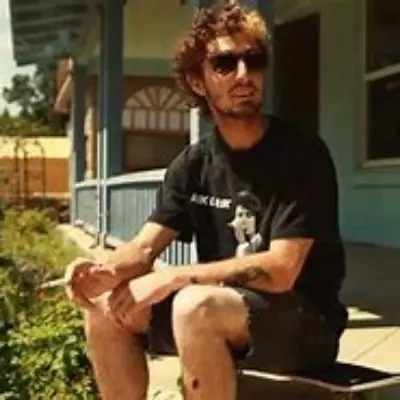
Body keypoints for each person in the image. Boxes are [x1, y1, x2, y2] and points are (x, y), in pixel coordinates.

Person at [65, 3, 348, 400]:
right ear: (198, 81)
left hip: (305, 322)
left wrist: (173, 277)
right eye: (225, 64)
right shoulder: (193, 165)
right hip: (220, 308)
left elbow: (282, 270)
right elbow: (144, 248)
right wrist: (102, 272)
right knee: (104, 307)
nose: (244, 74)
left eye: (254, 60)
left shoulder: (302, 155)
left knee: (193, 304)